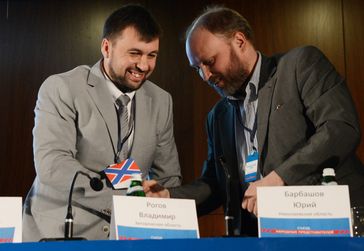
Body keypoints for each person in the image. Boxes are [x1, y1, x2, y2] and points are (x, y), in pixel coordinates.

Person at [144, 6, 364, 236]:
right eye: (197, 68)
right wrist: (168, 197)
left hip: (333, 227)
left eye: (209, 61)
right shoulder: (217, 116)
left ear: (239, 41)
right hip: (264, 238)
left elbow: (340, 128)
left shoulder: (299, 65)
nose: (205, 76)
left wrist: (277, 180)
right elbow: (215, 186)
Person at [23, 4, 182, 241]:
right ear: (107, 47)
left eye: (152, 55)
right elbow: (53, 165)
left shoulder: (161, 101)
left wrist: (162, 198)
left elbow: (168, 178)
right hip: (60, 233)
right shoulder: (61, 87)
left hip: (127, 237)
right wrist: (126, 195)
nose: (144, 66)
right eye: (135, 53)